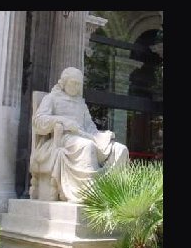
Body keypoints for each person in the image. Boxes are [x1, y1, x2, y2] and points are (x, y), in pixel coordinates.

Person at [32, 67, 128, 203]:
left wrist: (102, 136)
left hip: (84, 135)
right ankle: (87, 192)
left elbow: (89, 126)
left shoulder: (80, 104)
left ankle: (109, 190)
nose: (76, 87)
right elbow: (38, 121)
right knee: (86, 146)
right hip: (64, 138)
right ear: (63, 82)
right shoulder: (51, 98)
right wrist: (63, 121)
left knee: (119, 149)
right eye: (73, 83)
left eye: (79, 84)